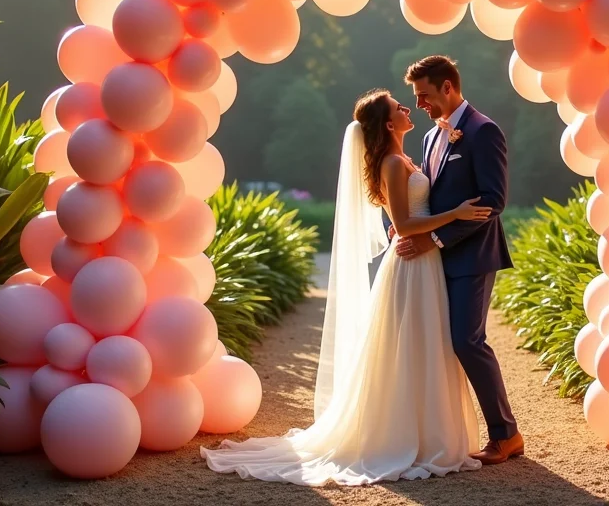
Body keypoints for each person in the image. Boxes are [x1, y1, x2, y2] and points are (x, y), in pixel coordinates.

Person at [200, 86, 491, 486]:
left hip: (423, 261)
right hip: (412, 262)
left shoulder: (404, 158)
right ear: (388, 124)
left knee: (425, 343)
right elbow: (404, 224)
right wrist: (455, 214)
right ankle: (411, 437)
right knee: (414, 344)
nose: (408, 110)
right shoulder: (393, 163)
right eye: (399, 107)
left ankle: (428, 434)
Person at [395, 55, 522, 464]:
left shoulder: (484, 131)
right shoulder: (431, 137)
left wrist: (435, 238)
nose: (419, 104)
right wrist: (402, 227)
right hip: (434, 263)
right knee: (438, 344)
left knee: (468, 341)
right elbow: (427, 197)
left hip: (472, 256)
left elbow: (493, 201)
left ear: (447, 87)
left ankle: (506, 434)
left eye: (424, 95)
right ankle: (439, 435)